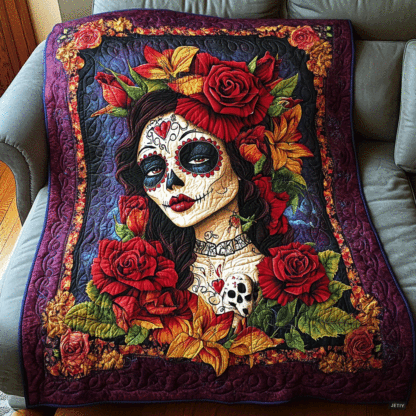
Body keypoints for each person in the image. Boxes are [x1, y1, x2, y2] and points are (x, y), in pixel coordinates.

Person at [115, 89, 291, 321]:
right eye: (154, 169)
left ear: (239, 159)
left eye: (198, 158)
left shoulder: (276, 272)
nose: (172, 182)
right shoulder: (163, 272)